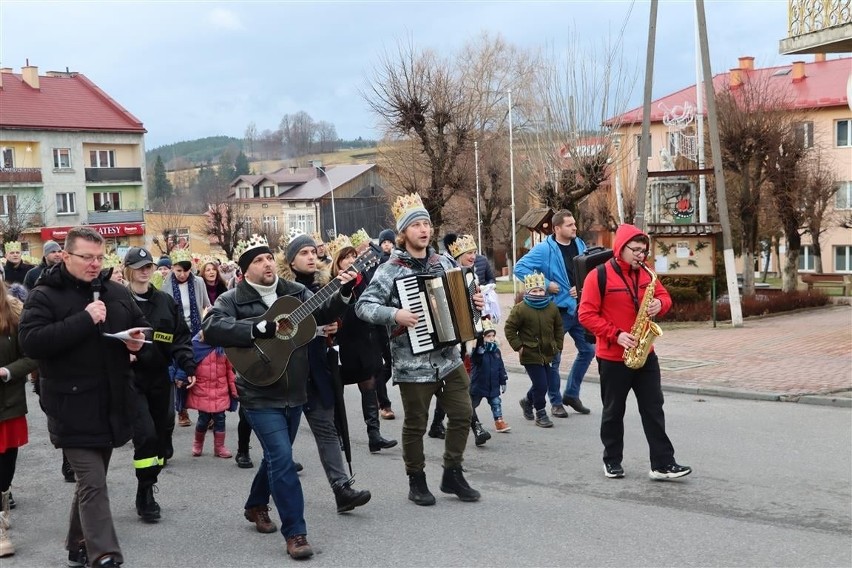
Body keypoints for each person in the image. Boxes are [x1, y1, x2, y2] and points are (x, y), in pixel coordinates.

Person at [202, 234, 358, 559]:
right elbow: (213, 327)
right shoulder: (233, 298)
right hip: (258, 391)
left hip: (295, 391)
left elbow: (324, 310)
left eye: (269, 257)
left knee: (277, 457)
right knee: (283, 459)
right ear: (244, 271)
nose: (267, 263)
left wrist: (343, 289)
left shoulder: (295, 292)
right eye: (258, 260)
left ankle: (256, 504)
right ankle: (296, 534)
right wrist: (256, 330)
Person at [19, 227, 149, 568]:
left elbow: (141, 325)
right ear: (65, 255)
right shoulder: (44, 295)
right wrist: (84, 319)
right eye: (86, 257)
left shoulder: (115, 290)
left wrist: (136, 341)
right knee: (92, 481)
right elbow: (32, 343)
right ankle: (104, 554)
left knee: (93, 481)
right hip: (70, 403)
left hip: (111, 401)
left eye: (98, 257)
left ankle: (77, 541)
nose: (94, 264)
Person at [355, 193, 484, 506]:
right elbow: (363, 306)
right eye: (416, 225)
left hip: (449, 358)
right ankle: (417, 479)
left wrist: (475, 306)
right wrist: (395, 314)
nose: (424, 230)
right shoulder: (390, 270)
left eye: (426, 223)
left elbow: (465, 310)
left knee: (463, 413)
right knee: (416, 423)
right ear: (404, 233)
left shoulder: (446, 263)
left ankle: (452, 472)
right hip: (412, 363)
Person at [578, 224, 692, 481]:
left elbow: (665, 297)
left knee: (654, 408)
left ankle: (662, 464)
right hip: (613, 356)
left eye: (644, 250)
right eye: (636, 249)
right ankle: (612, 461)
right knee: (613, 411)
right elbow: (585, 314)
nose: (641, 255)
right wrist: (615, 334)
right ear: (621, 248)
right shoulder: (599, 276)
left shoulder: (647, 274)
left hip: (645, 353)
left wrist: (659, 304)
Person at [276, 233, 373, 510]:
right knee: (281, 442)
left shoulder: (324, 285)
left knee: (327, 429)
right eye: (303, 253)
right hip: (285, 370)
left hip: (317, 367)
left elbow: (331, 315)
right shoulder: (279, 288)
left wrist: (334, 325)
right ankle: (261, 499)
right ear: (291, 260)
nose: (311, 257)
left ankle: (342, 489)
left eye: (313, 252)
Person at [123, 246, 196, 522]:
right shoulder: (119, 301)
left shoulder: (165, 301)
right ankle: (145, 492)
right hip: (131, 379)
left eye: (148, 266)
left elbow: (180, 337)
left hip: (159, 376)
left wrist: (188, 364)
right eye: (139, 266)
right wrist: (123, 353)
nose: (145, 270)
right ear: (128, 269)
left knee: (164, 428)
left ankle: (152, 472)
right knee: (145, 435)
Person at [514, 209, 595, 418]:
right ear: (557, 228)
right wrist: (546, 284)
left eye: (574, 224)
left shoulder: (580, 245)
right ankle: (555, 402)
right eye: (569, 225)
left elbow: (584, 271)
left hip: (578, 308)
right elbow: (519, 268)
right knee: (553, 358)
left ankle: (570, 394)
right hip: (555, 312)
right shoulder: (544, 249)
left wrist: (581, 286)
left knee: (588, 350)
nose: (574, 227)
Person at [329, 239, 397, 453]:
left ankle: (374, 436)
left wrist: (384, 348)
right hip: (340, 345)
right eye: (345, 257)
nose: (350, 261)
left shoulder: (364, 281)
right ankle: (339, 436)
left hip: (363, 342)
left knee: (369, 387)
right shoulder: (331, 285)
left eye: (352, 256)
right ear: (337, 263)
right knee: (336, 394)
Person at [0, 282, 38, 558]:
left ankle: (2, 504)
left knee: (5, 467)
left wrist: (6, 372)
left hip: (7, 406)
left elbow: (31, 357)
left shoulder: (14, 314)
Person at [504, 271, 565, 428]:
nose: (538, 293)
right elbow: (510, 328)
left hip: (548, 352)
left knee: (544, 382)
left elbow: (558, 328)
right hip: (530, 353)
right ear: (528, 292)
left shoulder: (551, 307)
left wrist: (558, 345)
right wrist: (519, 346)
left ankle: (527, 401)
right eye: (534, 291)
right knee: (541, 385)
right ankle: (541, 413)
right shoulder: (521, 309)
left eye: (541, 290)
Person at [448, 234, 491, 446]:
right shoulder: (448, 276)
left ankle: (437, 423)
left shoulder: (473, 277)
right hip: (453, 338)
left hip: (470, 337)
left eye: (474, 252)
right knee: (461, 384)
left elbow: (479, 310)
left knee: (457, 383)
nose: (473, 256)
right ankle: (476, 426)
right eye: (468, 253)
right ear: (458, 256)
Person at [161, 249, 210, 427]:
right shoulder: (165, 285)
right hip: (177, 333)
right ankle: (182, 410)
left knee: (202, 372)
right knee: (181, 372)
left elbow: (206, 305)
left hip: (196, 331)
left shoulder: (198, 282)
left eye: (186, 270)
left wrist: (206, 325)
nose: (182, 274)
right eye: (179, 270)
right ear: (173, 268)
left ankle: (208, 412)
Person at [185, 330, 236, 458]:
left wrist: (234, 389)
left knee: (220, 420)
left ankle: (219, 447)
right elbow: (188, 365)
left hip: (220, 391)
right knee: (203, 420)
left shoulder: (223, 349)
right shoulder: (196, 346)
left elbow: (230, 371)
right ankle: (197, 444)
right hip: (203, 391)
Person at [469, 318, 510, 434]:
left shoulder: (496, 351)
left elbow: (500, 367)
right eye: (488, 336)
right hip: (479, 384)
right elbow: (475, 360)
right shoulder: (478, 351)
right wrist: (479, 349)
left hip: (493, 385)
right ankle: (466, 419)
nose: (491, 338)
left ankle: (499, 422)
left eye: (492, 335)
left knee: (496, 403)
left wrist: (503, 380)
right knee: (471, 405)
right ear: (481, 338)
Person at [375, 228, 397, 420]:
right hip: (378, 320)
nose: (387, 245)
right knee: (381, 363)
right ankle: (384, 404)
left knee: (391, 363)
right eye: (384, 242)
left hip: (393, 319)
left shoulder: (399, 261)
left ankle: (376, 389)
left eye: (389, 242)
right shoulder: (377, 262)